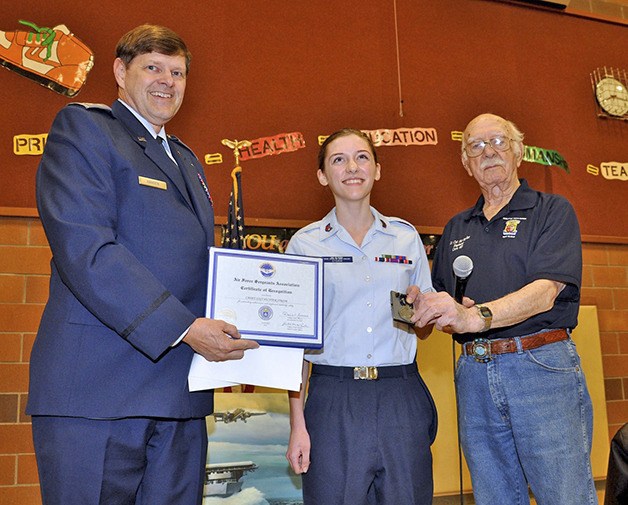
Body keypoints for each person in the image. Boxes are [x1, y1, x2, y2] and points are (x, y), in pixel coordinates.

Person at [26, 24, 258, 505]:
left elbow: (199, 268)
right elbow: (88, 250)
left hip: (179, 396)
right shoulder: (85, 130)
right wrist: (185, 328)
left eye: (177, 72)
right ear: (119, 72)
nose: (166, 81)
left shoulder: (188, 162)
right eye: (153, 67)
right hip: (99, 392)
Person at [412, 113, 597, 505]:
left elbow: (546, 291)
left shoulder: (552, 211)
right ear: (466, 163)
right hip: (474, 374)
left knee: (564, 495)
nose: (488, 152)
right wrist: (417, 308)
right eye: (476, 146)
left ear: (519, 152)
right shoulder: (456, 228)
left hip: (542, 368)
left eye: (498, 141)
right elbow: (441, 304)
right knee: (494, 496)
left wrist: (473, 316)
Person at [285, 128, 437, 504]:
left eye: (362, 157)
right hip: (334, 399)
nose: (352, 167)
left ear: (378, 169)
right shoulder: (305, 244)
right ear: (323, 175)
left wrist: (424, 313)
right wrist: (297, 424)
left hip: (400, 393)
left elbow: (424, 331)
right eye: (338, 159)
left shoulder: (405, 238)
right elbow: (294, 347)